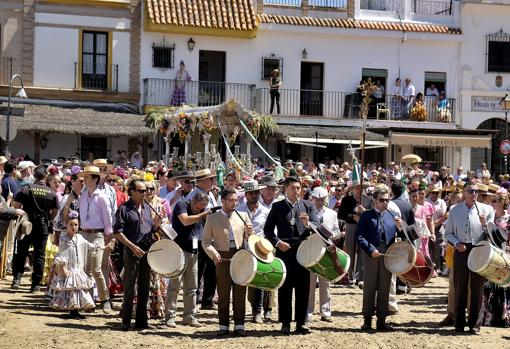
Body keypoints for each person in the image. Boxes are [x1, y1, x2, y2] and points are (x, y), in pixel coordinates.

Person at [264, 176, 318, 335]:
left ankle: (301, 322)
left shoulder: (308, 206)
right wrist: (277, 242)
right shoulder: (278, 206)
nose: (296, 191)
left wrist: (308, 224)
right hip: (284, 249)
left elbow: (318, 228)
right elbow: (268, 230)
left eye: (298, 188)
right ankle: (285, 322)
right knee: (285, 287)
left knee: (303, 287)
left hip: (303, 249)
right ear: (285, 189)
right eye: (293, 188)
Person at [444, 181, 494, 334]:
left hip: (479, 251)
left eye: (476, 191)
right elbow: (448, 234)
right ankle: (459, 323)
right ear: (464, 192)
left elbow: (492, 235)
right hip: (461, 250)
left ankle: (475, 324)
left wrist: (485, 224)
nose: (474, 194)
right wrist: (456, 243)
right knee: (460, 286)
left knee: (477, 288)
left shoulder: (487, 209)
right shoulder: (454, 210)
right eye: (471, 190)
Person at [202, 187, 253, 336]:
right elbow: (206, 242)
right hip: (222, 256)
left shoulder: (243, 215)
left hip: (240, 255)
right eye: (231, 200)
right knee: (223, 292)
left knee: (240, 292)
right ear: (223, 201)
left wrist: (249, 232)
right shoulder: (212, 218)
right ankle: (223, 325)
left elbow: (251, 238)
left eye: (236, 200)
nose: (234, 203)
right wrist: (214, 254)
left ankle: (239, 325)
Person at [113, 179, 162, 331]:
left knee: (144, 287)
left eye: (146, 190)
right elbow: (117, 232)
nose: (145, 193)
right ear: (132, 191)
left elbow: (150, 230)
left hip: (146, 250)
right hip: (132, 250)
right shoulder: (124, 209)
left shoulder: (147, 207)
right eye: (141, 191)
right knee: (129, 286)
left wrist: (156, 224)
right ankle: (126, 321)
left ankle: (142, 321)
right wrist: (132, 247)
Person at [356, 185, 404, 331]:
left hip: (387, 254)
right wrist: (371, 250)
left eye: (387, 200)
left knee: (385, 287)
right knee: (370, 287)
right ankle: (367, 319)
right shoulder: (366, 215)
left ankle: (382, 319)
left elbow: (403, 236)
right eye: (382, 200)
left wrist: (400, 227)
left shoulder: (392, 216)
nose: (385, 203)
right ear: (374, 201)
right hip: (372, 254)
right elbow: (359, 236)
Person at [164, 191, 209, 328]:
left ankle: (189, 316)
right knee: (174, 285)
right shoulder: (181, 205)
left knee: (192, 286)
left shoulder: (201, 211)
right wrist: (203, 214)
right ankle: (170, 317)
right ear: (193, 202)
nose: (200, 209)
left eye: (203, 207)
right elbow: (185, 220)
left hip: (193, 248)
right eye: (198, 207)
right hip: (178, 250)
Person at [11, 166, 59, 292]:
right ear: (45, 177)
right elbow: (55, 211)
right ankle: (36, 285)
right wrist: (47, 217)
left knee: (21, 252)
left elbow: (16, 206)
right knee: (40, 255)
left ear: (34, 176)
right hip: (42, 226)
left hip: (26, 226)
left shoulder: (26, 189)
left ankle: (17, 279)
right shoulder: (51, 193)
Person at [78, 166, 113, 313]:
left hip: (97, 235)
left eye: (86, 177)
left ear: (94, 178)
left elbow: (108, 219)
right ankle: (89, 301)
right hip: (84, 234)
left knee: (96, 268)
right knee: (85, 269)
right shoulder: (83, 196)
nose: (84, 179)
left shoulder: (102, 197)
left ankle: (105, 299)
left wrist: (109, 237)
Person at [49, 210, 96, 319]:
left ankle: (75, 309)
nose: (73, 227)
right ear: (66, 225)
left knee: (77, 289)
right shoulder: (64, 239)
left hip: (77, 269)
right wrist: (63, 268)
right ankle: (72, 311)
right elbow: (61, 254)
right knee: (70, 289)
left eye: (76, 225)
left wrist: (102, 247)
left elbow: (89, 245)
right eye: (71, 225)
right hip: (69, 269)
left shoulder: (79, 237)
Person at [236, 180, 272, 323]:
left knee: (261, 281)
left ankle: (258, 311)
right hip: (244, 248)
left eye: (256, 192)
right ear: (246, 194)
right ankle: (243, 310)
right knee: (243, 280)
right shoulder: (238, 210)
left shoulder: (266, 211)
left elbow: (269, 231)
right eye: (251, 193)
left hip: (260, 248)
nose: (254, 195)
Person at [185, 169, 218, 309]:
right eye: (210, 179)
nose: (213, 182)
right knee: (196, 267)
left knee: (212, 266)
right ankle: (195, 299)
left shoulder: (211, 194)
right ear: (202, 181)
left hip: (210, 235)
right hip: (196, 236)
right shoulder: (192, 196)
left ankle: (208, 300)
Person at [307, 186, 340, 323]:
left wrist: (332, 235)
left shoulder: (332, 214)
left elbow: (337, 230)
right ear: (312, 199)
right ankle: (308, 312)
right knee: (309, 283)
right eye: (317, 199)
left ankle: (325, 311)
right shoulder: (307, 212)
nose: (319, 202)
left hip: (326, 250)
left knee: (325, 283)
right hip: (311, 249)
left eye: (322, 199)